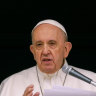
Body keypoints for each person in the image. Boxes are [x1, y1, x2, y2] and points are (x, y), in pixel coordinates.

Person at [0, 19, 96, 96]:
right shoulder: (10, 84)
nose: (45, 51)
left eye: (52, 43)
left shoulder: (92, 82)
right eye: (39, 45)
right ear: (33, 51)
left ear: (66, 49)